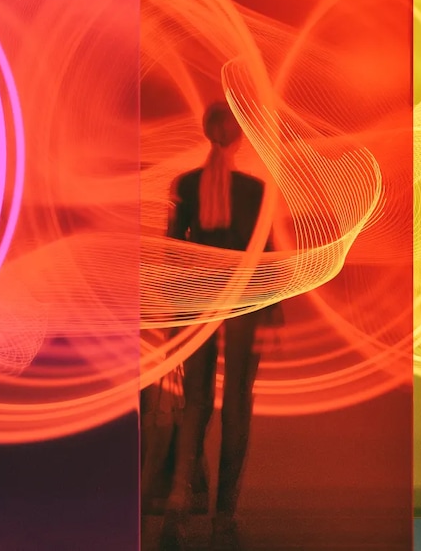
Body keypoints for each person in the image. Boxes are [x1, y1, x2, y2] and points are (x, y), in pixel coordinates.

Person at [153, 100, 281, 551]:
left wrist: (174, 314)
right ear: (240, 136)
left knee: (195, 403)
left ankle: (178, 503)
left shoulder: (186, 185)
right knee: (237, 405)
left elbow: (173, 251)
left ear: (207, 133)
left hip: (197, 302)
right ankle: (225, 514)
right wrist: (273, 315)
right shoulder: (256, 190)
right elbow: (268, 259)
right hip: (246, 304)